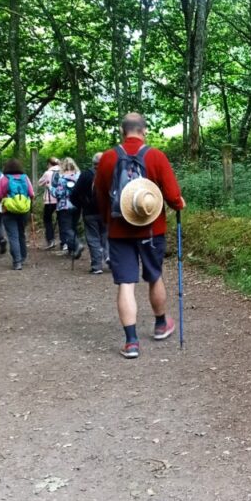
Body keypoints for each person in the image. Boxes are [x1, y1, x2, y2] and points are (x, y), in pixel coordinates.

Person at [94, 113, 186, 359]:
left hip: (118, 230)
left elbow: (101, 195)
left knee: (126, 283)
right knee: (154, 276)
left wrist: (108, 220)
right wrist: (178, 203)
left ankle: (132, 342)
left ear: (122, 131)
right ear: (144, 130)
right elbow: (173, 194)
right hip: (151, 229)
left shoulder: (108, 158)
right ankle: (160, 325)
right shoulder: (155, 156)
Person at [0, 158, 35, 270]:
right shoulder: (25, 178)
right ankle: (23, 257)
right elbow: (31, 194)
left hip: (8, 210)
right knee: (21, 234)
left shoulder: (4, 179)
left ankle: (17, 261)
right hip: (24, 210)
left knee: (13, 236)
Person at [71, 152, 108, 274]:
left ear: (93, 163)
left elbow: (73, 194)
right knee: (106, 235)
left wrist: (81, 205)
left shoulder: (86, 175)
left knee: (93, 238)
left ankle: (97, 266)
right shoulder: (111, 174)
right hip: (106, 212)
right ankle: (109, 257)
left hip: (89, 212)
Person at [52, 157, 83, 259]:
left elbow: (58, 193)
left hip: (64, 206)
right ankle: (72, 250)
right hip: (77, 206)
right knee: (73, 227)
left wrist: (51, 188)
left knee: (66, 229)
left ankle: (77, 244)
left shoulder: (61, 178)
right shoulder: (79, 177)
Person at [37, 156, 61, 249]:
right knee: (62, 221)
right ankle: (64, 243)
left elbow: (40, 183)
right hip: (61, 200)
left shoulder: (48, 173)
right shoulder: (63, 171)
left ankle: (50, 240)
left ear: (49, 164)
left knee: (47, 220)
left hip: (50, 200)